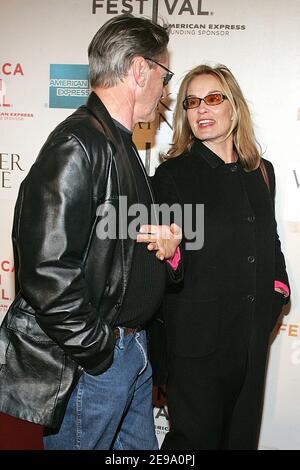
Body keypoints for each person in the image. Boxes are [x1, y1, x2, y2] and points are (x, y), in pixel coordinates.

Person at [0, 14, 183, 450]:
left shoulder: (120, 142)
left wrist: (166, 248)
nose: (166, 91)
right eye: (164, 75)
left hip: (131, 356)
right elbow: (45, 268)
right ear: (141, 70)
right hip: (96, 365)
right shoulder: (78, 143)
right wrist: (99, 350)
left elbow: (115, 246)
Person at [151, 64, 290, 450]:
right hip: (197, 347)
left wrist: (277, 292)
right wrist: (170, 255)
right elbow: (166, 258)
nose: (202, 109)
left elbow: (270, 239)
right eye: (192, 102)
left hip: (249, 341)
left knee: (241, 442)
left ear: (234, 107)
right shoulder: (173, 176)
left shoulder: (262, 172)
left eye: (213, 98)